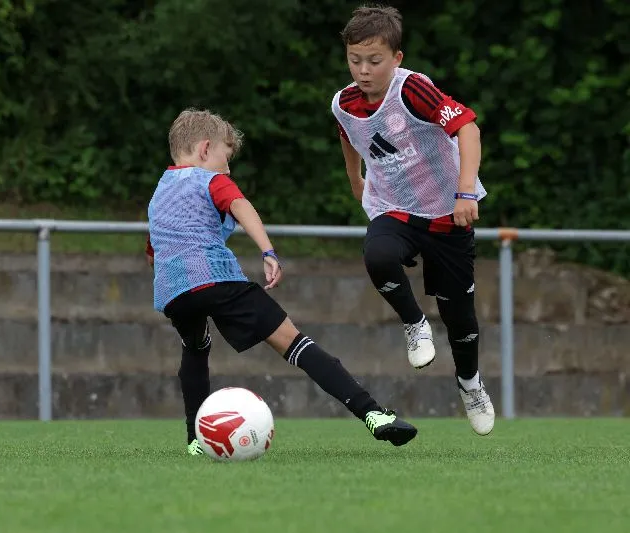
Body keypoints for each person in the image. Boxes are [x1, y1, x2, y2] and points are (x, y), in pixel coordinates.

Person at [146, 108, 418, 455]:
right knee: (294, 343)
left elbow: (153, 248)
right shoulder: (210, 180)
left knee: (195, 349)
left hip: (173, 292)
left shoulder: (160, 192)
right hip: (214, 279)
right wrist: (268, 251)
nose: (227, 169)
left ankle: (195, 440)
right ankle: (373, 414)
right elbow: (240, 205)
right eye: (225, 158)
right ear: (205, 149)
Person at [331, 4, 495, 435]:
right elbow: (348, 132)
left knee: (460, 320)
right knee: (378, 255)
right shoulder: (344, 102)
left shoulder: (413, 90)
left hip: (446, 213)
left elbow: (468, 129)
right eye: (355, 60)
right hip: (395, 208)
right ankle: (414, 323)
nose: (363, 71)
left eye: (374, 61)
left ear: (396, 58)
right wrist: (355, 179)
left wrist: (464, 191)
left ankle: (470, 383)